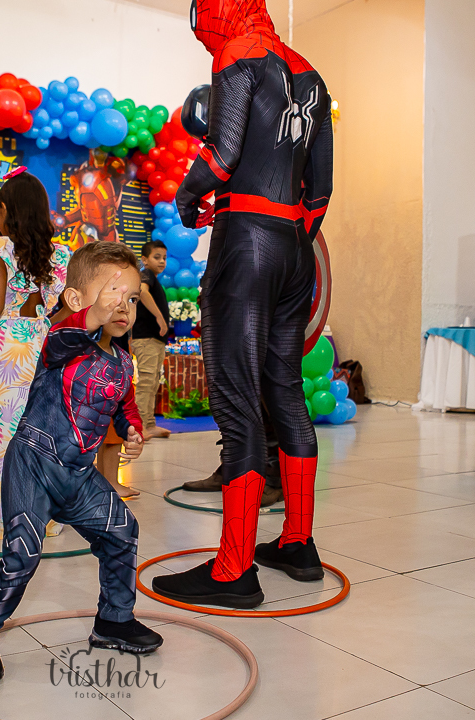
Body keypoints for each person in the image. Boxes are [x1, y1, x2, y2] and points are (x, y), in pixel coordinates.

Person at [153, 0, 333, 608]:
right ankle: (298, 544)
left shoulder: (239, 53)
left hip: (247, 242)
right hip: (295, 249)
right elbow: (321, 189)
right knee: (285, 392)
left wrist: (187, 196)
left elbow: (223, 152)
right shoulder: (310, 72)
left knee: (236, 399)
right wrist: (290, 241)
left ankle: (233, 570)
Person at [0, 242, 160, 682]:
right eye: (111, 294)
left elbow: (124, 406)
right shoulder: (60, 340)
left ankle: (114, 620)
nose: (122, 307)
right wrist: (92, 317)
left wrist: (132, 430)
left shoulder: (123, 362)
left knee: (122, 531)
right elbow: (68, 334)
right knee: (22, 556)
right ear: (75, 299)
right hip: (32, 464)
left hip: (78, 476)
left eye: (131, 298)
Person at [0, 168, 70, 539]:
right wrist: (45, 321)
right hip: (40, 345)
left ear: (5, 211)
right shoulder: (58, 254)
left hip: (4, 346)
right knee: (41, 431)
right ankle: (47, 516)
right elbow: (69, 307)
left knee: (0, 434)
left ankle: (3, 518)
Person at [131, 239, 171, 441]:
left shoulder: (154, 278)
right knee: (147, 381)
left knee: (153, 381)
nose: (162, 261)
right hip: (146, 338)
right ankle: (139, 427)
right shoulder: (146, 275)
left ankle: (149, 424)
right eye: (157, 257)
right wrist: (159, 317)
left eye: (164, 258)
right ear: (145, 260)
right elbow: (142, 292)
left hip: (154, 339)